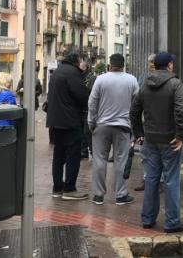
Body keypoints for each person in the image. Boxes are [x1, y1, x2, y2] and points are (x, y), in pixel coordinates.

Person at [130, 52, 183, 233]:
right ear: (169, 65)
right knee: (171, 180)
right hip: (170, 139)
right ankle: (172, 222)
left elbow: (134, 110)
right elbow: (181, 110)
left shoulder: (145, 85)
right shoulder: (175, 84)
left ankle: (147, 218)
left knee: (151, 179)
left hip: (150, 139)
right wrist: (181, 135)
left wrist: (138, 133)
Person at [88, 53, 138, 206]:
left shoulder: (100, 79)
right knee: (121, 161)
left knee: (99, 160)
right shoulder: (132, 80)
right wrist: (135, 127)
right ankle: (121, 195)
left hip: (101, 125)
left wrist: (91, 122)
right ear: (124, 66)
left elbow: (92, 103)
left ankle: (98, 195)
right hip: (123, 126)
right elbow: (137, 105)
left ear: (110, 65)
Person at [46, 51, 88, 200]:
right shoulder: (72, 73)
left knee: (58, 155)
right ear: (76, 61)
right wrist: (82, 75)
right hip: (70, 121)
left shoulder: (58, 71)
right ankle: (70, 189)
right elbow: (82, 96)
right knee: (73, 155)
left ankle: (57, 188)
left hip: (55, 121)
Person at [133, 53, 156, 192]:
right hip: (145, 121)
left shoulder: (165, 78)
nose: (151, 65)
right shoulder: (142, 78)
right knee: (145, 153)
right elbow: (137, 98)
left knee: (158, 153)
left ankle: (159, 181)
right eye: (150, 63)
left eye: (154, 62)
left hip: (159, 121)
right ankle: (146, 179)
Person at [79, 60, 95, 159]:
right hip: (81, 109)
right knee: (81, 131)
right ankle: (83, 151)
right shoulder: (78, 77)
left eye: (82, 68)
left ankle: (92, 150)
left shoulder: (92, 78)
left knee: (87, 132)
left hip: (88, 109)